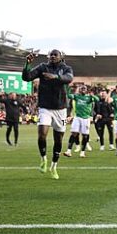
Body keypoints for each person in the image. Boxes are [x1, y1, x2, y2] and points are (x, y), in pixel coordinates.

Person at [22, 50, 74, 180]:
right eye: (51, 54)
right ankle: (43, 158)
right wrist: (27, 64)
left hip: (61, 110)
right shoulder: (42, 67)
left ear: (61, 57)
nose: (53, 56)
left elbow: (69, 78)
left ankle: (54, 166)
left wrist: (55, 76)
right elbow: (27, 77)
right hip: (45, 107)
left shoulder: (66, 68)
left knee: (59, 139)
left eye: (55, 55)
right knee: (42, 134)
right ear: (48, 57)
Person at [64, 85, 99, 158]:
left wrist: (92, 95)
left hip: (86, 118)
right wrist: (68, 88)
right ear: (79, 90)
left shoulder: (89, 97)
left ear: (86, 90)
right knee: (74, 133)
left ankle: (82, 152)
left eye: (84, 89)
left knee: (85, 135)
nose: (83, 90)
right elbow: (69, 95)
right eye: (81, 89)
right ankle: (68, 151)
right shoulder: (76, 96)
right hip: (77, 117)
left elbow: (97, 99)